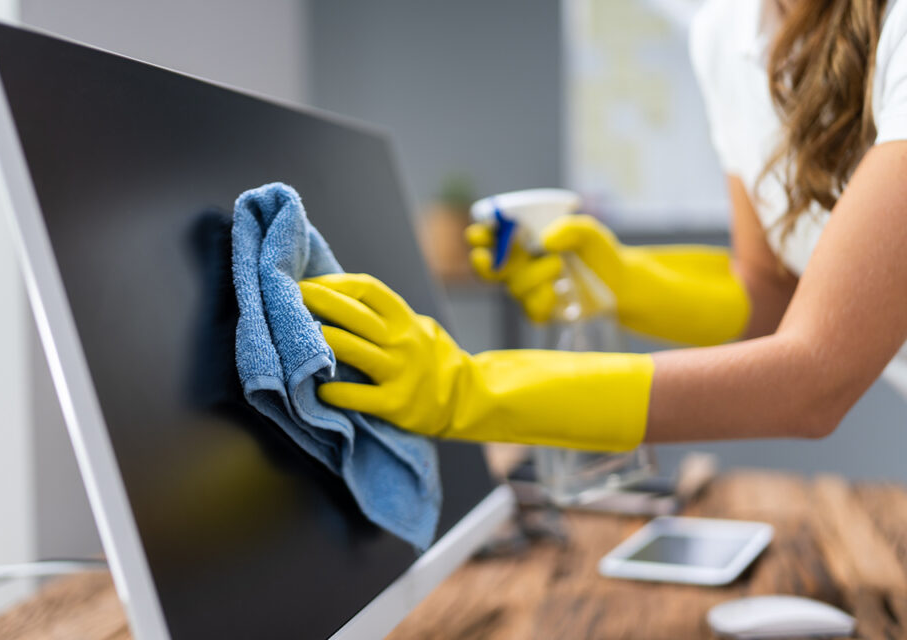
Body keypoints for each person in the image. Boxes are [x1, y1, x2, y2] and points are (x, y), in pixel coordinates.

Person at [299, 0, 907, 452]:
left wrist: (470, 390)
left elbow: (814, 378)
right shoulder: (726, 35)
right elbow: (773, 291)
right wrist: (620, 281)